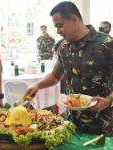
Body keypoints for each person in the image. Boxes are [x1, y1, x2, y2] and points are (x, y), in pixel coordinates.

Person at [24, 1, 113, 135]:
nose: (58, 31)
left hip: (104, 123)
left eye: (60, 26)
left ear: (74, 20)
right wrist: (37, 85)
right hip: (73, 123)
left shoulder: (106, 44)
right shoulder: (64, 47)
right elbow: (55, 75)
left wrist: (109, 101)